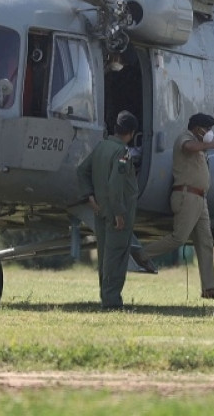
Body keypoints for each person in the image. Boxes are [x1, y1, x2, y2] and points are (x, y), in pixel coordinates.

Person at [134, 113, 214, 302]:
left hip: (200, 199)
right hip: (187, 196)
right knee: (179, 238)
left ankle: (210, 287)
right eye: (207, 129)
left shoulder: (200, 145)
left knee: (205, 242)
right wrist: (211, 145)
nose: (209, 133)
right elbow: (189, 147)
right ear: (197, 129)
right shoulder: (185, 138)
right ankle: (142, 254)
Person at [77, 110, 140, 310]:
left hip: (100, 210)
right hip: (116, 213)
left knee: (105, 255)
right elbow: (115, 184)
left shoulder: (101, 147)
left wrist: (90, 196)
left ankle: (106, 297)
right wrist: (120, 213)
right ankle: (112, 301)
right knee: (116, 255)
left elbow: (82, 171)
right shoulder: (123, 152)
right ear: (130, 133)